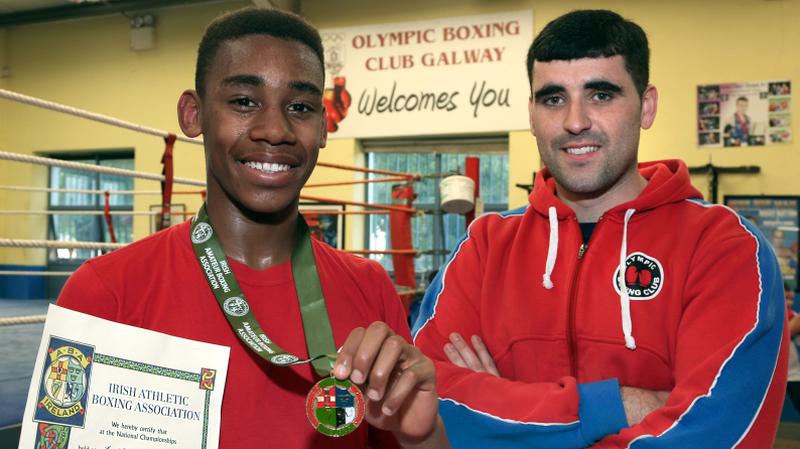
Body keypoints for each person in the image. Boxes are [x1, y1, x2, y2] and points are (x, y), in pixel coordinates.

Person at [57, 7, 448, 449]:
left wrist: (422, 435)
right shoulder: (107, 292)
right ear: (193, 114)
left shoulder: (370, 287)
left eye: (299, 107)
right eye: (244, 101)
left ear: (322, 127)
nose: (274, 130)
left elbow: (411, 432)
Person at [412, 9, 786, 449]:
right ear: (531, 114)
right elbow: (424, 404)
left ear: (646, 107)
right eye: (553, 98)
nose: (575, 121)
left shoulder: (725, 247)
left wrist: (502, 414)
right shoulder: (484, 246)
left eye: (601, 95)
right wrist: (618, 407)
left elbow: (714, 434)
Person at [787, 282, 800, 411]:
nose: (789, 302)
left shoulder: (794, 316)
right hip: (771, 374)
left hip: (793, 374)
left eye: (791, 299)